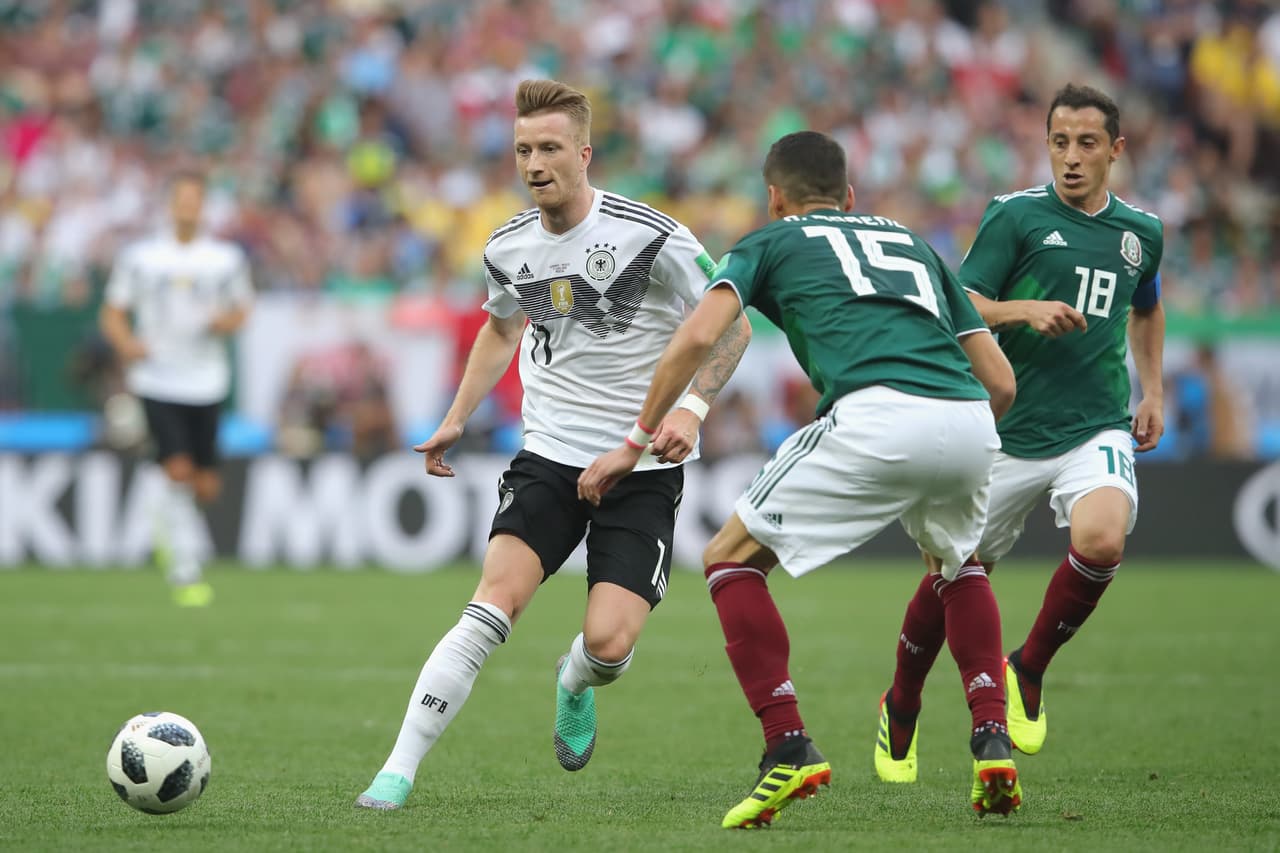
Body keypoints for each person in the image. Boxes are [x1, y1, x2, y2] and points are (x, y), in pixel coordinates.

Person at [578, 130, 1022, 827]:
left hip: (874, 412)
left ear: (774, 196)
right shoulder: (915, 244)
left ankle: (787, 742)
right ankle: (992, 735)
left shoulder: (770, 240)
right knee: (957, 563)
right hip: (968, 418)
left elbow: (698, 336)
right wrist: (955, 437)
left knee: (727, 557)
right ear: (849, 195)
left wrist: (638, 439)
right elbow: (1001, 379)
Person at [355, 79, 752, 811]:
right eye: (521, 150)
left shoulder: (652, 235)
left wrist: (692, 408)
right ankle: (397, 769)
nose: (533, 163)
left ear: (584, 152)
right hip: (550, 452)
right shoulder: (508, 245)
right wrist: (456, 414)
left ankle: (574, 679)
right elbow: (502, 327)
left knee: (608, 643)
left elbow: (734, 325)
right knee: (490, 604)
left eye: (548, 148)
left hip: (643, 463)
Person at [874, 83, 1165, 780]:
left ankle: (1027, 667)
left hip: (1093, 422)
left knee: (1102, 539)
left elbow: (1146, 305)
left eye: (1087, 143)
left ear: (1116, 151)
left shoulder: (1143, 233)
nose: (1070, 157)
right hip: (1001, 429)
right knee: (952, 574)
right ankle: (902, 699)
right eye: (1059, 142)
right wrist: (1021, 310)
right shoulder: (1015, 217)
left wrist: (1151, 387)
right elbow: (961, 301)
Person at [99, 170, 254, 607]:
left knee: (206, 486)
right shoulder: (142, 258)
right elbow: (112, 311)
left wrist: (221, 322)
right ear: (170, 205)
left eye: (195, 200)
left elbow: (242, 311)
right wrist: (127, 343)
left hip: (206, 380)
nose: (188, 207)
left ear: (203, 206)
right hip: (158, 378)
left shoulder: (224, 259)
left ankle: (161, 505)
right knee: (179, 470)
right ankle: (185, 568)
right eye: (181, 199)